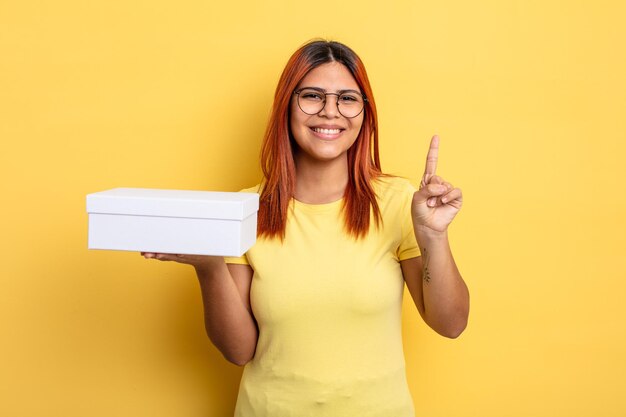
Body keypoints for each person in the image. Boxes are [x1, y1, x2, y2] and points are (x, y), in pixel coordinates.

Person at [142, 40, 469, 417]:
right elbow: (239, 351)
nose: (330, 112)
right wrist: (210, 267)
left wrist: (434, 238)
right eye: (313, 96)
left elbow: (451, 324)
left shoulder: (398, 202)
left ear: (365, 113)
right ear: (287, 105)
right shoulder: (248, 209)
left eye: (347, 98)